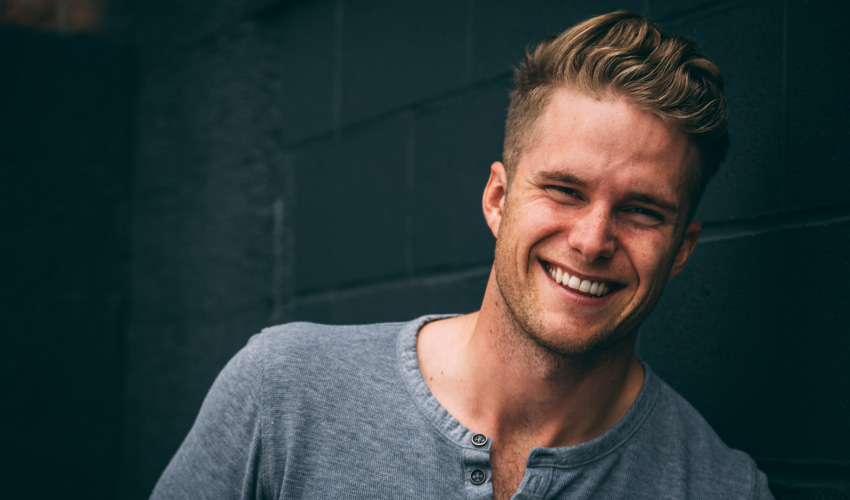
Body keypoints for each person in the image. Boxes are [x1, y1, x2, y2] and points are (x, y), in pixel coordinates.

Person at [152, 11, 774, 500]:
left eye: (641, 211)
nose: (591, 240)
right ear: (499, 200)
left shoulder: (721, 488)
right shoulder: (283, 394)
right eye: (564, 190)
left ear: (682, 249)